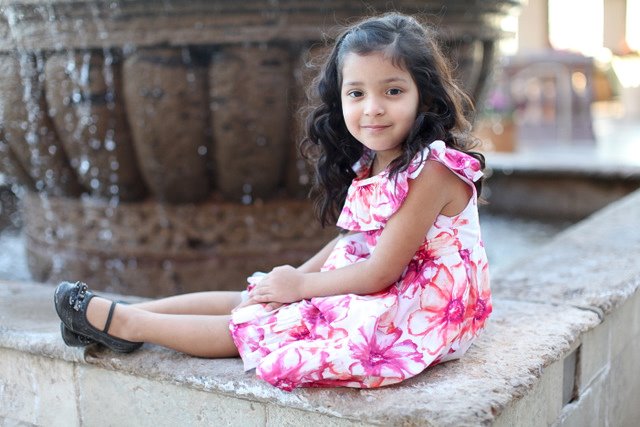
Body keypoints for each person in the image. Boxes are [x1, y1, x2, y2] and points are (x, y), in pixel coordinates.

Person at [54, 12, 492, 391]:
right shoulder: (375, 160)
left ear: (424, 96)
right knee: (258, 295)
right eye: (356, 93)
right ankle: (122, 314)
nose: (372, 108)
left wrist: (299, 289)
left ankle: (127, 325)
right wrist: (292, 279)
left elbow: (381, 271)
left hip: (420, 311)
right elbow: (354, 241)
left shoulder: (433, 170)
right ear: (340, 98)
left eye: (393, 91)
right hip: (387, 287)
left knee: (272, 325)